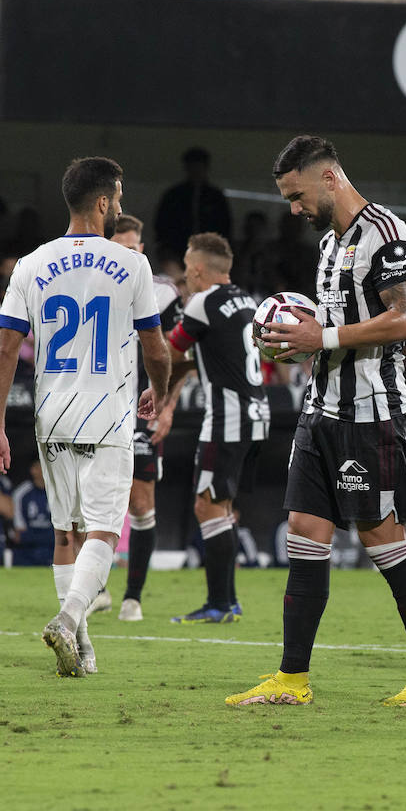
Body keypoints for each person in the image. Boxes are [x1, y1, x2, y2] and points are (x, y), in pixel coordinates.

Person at [225, 136, 406, 708]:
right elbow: (333, 324)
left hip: (371, 417)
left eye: (297, 195)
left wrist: (319, 337)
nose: (293, 209)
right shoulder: (329, 243)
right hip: (319, 411)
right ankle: (292, 680)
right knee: (304, 532)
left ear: (328, 177)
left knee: (385, 542)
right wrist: (295, 340)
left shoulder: (387, 234)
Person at [0, 156, 170, 678]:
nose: (121, 206)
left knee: (66, 532)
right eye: (119, 197)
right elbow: (155, 346)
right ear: (104, 202)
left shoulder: (30, 263)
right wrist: (159, 389)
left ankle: (82, 647)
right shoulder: (132, 264)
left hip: (52, 414)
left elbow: (5, 351)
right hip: (107, 413)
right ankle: (67, 620)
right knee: (105, 531)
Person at [163, 233, 268, 624]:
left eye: (187, 269)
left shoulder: (203, 302)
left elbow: (170, 352)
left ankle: (219, 603)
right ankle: (229, 602)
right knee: (221, 508)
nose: (185, 276)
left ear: (197, 270)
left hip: (227, 418)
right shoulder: (247, 300)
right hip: (256, 414)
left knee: (206, 505)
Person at [87, 214, 183, 621]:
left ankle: (133, 598)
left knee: (140, 501)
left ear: (141, 250)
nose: (126, 255)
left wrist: (168, 405)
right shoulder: (86, 285)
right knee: (88, 502)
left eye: (132, 248)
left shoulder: (163, 293)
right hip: (95, 407)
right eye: (119, 249)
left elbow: (180, 355)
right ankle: (97, 590)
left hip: (141, 409)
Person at [154, 147, 233, 260]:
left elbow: (224, 226)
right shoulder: (174, 195)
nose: (196, 171)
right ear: (187, 168)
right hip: (178, 252)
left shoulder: (215, 197)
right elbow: (162, 225)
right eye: (193, 167)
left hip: (209, 253)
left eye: (199, 167)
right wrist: (165, 250)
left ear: (206, 168)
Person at [11, 462, 56, 567]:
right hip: (27, 550)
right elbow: (19, 532)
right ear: (33, 470)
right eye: (39, 467)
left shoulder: (59, 491)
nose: (43, 470)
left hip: (52, 548)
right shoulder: (21, 492)